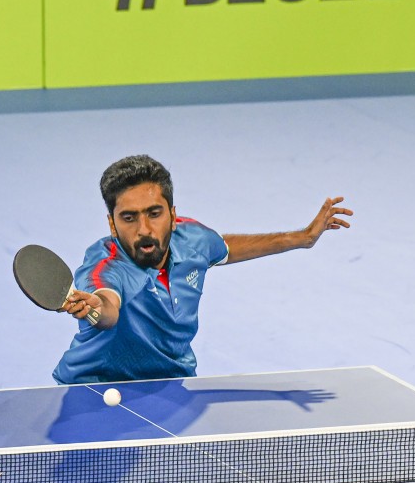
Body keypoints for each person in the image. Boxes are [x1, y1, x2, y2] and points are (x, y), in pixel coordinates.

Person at [53, 154, 353, 384]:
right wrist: (96, 308)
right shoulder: (106, 264)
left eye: (154, 214)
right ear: (112, 224)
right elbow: (107, 303)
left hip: (172, 385)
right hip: (95, 388)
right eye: (129, 218)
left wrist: (300, 238)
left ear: (172, 214)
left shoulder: (191, 238)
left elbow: (224, 247)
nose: (144, 229)